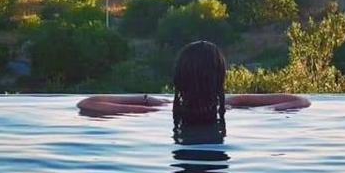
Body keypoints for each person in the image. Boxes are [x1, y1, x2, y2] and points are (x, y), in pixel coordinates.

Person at [76, 40, 310, 119]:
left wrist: (146, 104)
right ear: (220, 76)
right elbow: (300, 101)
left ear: (179, 76)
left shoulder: (163, 107)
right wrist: (257, 111)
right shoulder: (230, 104)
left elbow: (87, 103)